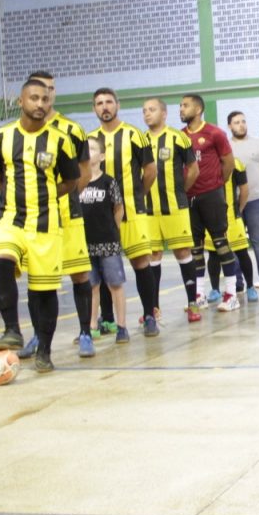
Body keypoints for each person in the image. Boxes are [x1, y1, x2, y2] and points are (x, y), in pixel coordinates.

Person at [0, 79, 80, 373]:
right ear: (21, 101)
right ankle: (12, 328)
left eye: (44, 99)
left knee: (43, 292)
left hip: (46, 223)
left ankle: (45, 350)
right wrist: (15, 198)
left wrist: (47, 197)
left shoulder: (60, 140)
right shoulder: (1, 137)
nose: (40, 104)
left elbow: (71, 181)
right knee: (1, 260)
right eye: (33, 98)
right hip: (11, 218)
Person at [15, 71, 95, 360]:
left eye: (48, 92)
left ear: (53, 95)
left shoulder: (72, 130)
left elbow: (84, 172)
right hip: (36, 219)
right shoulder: (16, 134)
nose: (43, 98)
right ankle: (38, 336)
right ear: (25, 97)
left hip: (68, 213)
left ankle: (86, 332)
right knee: (38, 278)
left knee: (79, 273)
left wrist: (64, 195)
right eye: (38, 92)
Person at [88, 88, 160, 336]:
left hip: (132, 212)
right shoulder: (90, 140)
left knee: (141, 263)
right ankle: (107, 321)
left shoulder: (133, 135)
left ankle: (150, 315)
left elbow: (150, 170)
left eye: (109, 102)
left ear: (117, 105)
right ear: (94, 109)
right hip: (101, 218)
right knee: (104, 268)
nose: (104, 107)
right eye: (99, 103)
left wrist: (137, 195)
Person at [180, 94, 241, 313]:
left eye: (185, 106)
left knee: (220, 243)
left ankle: (232, 294)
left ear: (198, 110)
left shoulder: (214, 133)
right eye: (180, 105)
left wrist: (216, 185)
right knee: (195, 248)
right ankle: (199, 294)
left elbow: (229, 163)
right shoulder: (180, 137)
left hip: (212, 196)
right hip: (189, 198)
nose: (181, 109)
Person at [143, 98, 200, 322]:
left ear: (164, 113)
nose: (147, 114)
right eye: (144, 111)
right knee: (153, 255)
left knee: (183, 252)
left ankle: (192, 303)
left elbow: (193, 169)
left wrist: (181, 192)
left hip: (176, 208)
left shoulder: (178, 137)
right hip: (148, 210)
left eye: (152, 110)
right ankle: (153, 308)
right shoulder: (140, 139)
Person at [79, 136, 129, 343]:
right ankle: (91, 327)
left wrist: (111, 230)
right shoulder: (77, 183)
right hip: (84, 243)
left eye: (92, 149)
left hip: (108, 242)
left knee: (115, 284)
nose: (87, 152)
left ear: (101, 156)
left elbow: (118, 208)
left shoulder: (108, 181)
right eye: (85, 149)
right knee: (91, 286)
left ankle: (122, 327)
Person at [228, 111, 259, 297]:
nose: (241, 125)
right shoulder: (226, 146)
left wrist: (256, 184)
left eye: (243, 122)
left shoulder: (258, 143)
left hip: (256, 199)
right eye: (236, 122)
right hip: (233, 202)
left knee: (258, 241)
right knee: (237, 243)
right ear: (230, 127)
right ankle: (239, 283)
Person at [203, 158, 256, 299]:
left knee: (242, 252)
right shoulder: (205, 161)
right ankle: (215, 290)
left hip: (233, 217)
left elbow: (244, 189)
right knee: (213, 255)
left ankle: (250, 287)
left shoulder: (235, 163)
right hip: (211, 217)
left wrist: (238, 210)